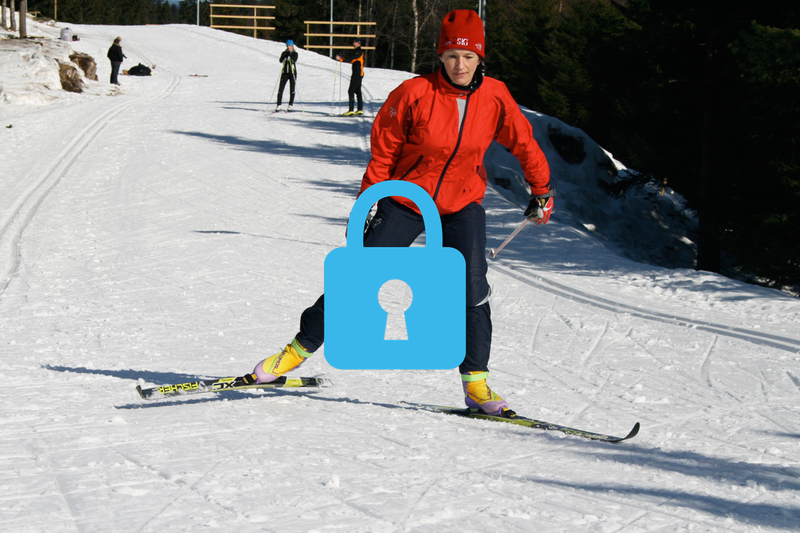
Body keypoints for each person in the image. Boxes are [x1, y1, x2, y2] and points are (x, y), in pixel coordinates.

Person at [246, 9, 554, 416]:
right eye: (451, 56)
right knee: (357, 277)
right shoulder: (413, 93)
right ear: (440, 56)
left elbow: (525, 143)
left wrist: (542, 189)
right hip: (407, 200)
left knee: (471, 289)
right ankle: (293, 353)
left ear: (480, 58)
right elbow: (384, 151)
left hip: (461, 203)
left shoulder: (495, 97)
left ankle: (477, 385)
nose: (460, 65)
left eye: (468, 57)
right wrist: (366, 204)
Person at [335, 38, 364, 116]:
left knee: (351, 91)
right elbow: (350, 59)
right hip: (357, 73)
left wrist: (341, 60)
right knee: (357, 91)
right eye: (353, 42)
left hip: (357, 74)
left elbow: (352, 59)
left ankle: (351, 110)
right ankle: (360, 109)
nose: (354, 43)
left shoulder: (360, 52)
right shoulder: (356, 51)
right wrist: (343, 57)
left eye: (356, 42)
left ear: (359, 44)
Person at [276, 40, 298, 112]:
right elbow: (281, 60)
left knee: (292, 89)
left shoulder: (295, 53)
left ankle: (290, 105)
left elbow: (294, 60)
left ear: (292, 46)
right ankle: (279, 105)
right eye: (288, 46)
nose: (289, 47)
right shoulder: (284, 53)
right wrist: (285, 55)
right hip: (285, 73)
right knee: (280, 89)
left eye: (290, 46)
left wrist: (290, 55)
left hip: (292, 73)